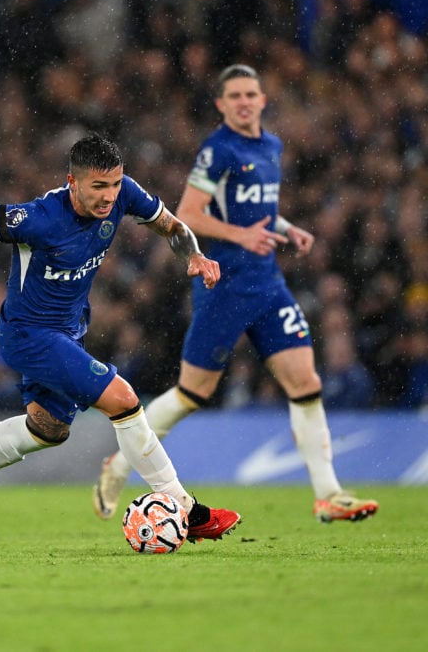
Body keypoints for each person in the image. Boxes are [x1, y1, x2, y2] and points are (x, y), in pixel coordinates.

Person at [0, 131, 241, 544]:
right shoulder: (40, 218)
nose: (109, 197)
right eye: (98, 187)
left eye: (115, 184)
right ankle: (188, 511)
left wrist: (191, 254)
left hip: (68, 333)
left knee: (48, 429)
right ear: (73, 182)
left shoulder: (124, 195)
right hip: (28, 334)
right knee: (123, 400)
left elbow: (172, 227)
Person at [91, 64, 379, 524]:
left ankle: (329, 495)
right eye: (235, 96)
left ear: (263, 100)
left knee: (305, 382)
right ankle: (122, 461)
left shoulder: (271, 145)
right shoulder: (218, 150)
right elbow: (188, 215)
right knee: (192, 392)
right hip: (223, 285)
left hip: (267, 285)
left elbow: (258, 209)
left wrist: (286, 228)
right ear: (222, 105)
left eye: (251, 94)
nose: (244, 101)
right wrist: (241, 237)